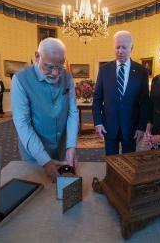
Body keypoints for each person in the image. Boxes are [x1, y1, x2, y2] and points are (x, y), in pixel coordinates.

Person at [11, 37, 79, 181]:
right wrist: (44, 160)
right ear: (37, 56)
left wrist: (71, 146)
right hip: (34, 154)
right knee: (38, 194)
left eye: (60, 67)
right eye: (49, 66)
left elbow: (72, 112)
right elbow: (22, 124)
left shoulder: (67, 77)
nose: (55, 73)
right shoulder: (20, 80)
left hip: (61, 147)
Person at [92, 30, 149, 155]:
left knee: (129, 163)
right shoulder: (104, 70)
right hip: (109, 126)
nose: (120, 51)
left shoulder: (141, 72)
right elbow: (97, 99)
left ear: (131, 48)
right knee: (111, 161)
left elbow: (144, 103)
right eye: (117, 47)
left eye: (124, 47)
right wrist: (98, 122)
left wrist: (141, 127)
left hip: (131, 128)